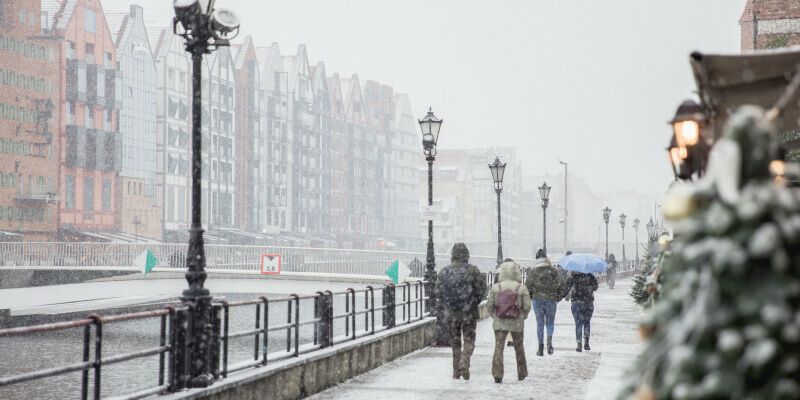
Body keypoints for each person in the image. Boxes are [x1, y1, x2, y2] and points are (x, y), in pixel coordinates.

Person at [435, 243, 487, 380]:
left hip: (451, 313)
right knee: (469, 341)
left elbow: (438, 293)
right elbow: (482, 291)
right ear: (466, 255)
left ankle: (456, 372)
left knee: (455, 343)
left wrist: (448, 303)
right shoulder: (473, 270)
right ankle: (464, 361)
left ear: (452, 255)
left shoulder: (444, 271)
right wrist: (473, 301)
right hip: (469, 312)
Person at [485, 259, 531, 383]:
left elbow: (489, 306)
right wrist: (523, 316)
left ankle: (497, 374)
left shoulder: (496, 287)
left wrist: (495, 316)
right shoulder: (521, 288)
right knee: (519, 347)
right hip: (517, 323)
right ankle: (521, 373)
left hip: (500, 322)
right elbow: (527, 306)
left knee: (498, 348)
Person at [525, 249, 565, 356]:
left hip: (537, 300)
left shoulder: (533, 271)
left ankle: (540, 347)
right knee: (550, 322)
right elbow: (561, 285)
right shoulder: (552, 270)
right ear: (546, 258)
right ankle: (549, 341)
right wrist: (558, 297)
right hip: (551, 300)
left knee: (540, 323)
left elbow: (527, 286)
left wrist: (531, 296)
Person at [565, 270, 598, 352]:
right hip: (588, 302)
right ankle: (586, 342)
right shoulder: (590, 276)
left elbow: (566, 287)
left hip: (576, 303)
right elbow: (595, 287)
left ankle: (579, 344)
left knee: (578, 323)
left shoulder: (573, 277)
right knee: (587, 322)